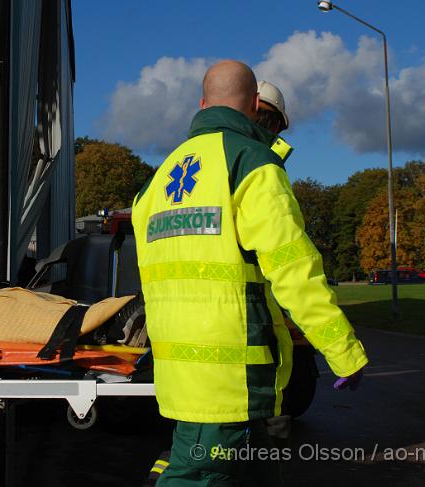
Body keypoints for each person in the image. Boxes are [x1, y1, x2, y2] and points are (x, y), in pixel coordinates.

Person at [132, 60, 368, 486]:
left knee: (255, 472)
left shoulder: (159, 177)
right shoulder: (253, 162)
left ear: (202, 104)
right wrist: (343, 352)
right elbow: (294, 270)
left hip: (180, 373)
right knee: (195, 475)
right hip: (231, 377)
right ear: (256, 104)